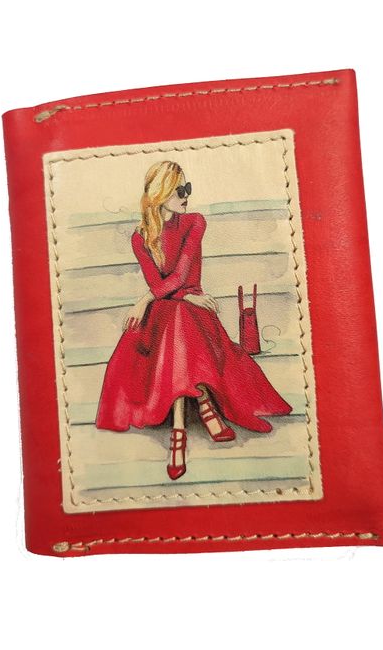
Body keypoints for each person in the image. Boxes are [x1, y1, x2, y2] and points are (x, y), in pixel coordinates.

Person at [95, 159, 292, 479]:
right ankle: (203, 404)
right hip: (168, 313)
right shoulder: (140, 237)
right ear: (160, 194)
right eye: (179, 190)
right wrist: (180, 296)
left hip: (193, 314)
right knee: (176, 317)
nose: (186, 195)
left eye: (187, 188)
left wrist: (147, 300)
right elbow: (159, 284)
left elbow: (178, 277)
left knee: (180, 318)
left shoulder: (195, 222)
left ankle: (179, 435)